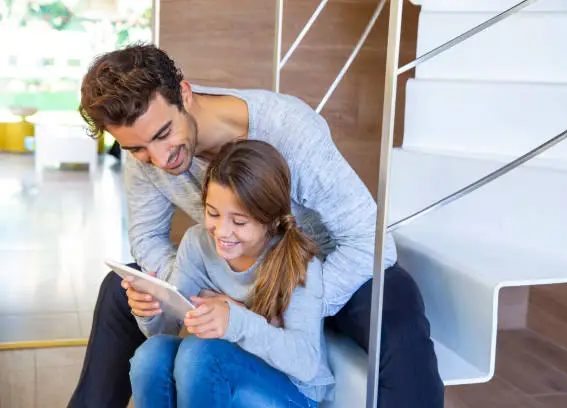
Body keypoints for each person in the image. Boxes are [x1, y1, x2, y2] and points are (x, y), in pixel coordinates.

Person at [69, 43, 443, 408]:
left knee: (397, 319)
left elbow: (370, 240)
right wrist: (179, 295)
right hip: (237, 262)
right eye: (136, 149)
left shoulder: (290, 130)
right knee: (122, 291)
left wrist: (265, 307)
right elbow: (147, 237)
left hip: (323, 268)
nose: (159, 158)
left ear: (184, 94)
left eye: (163, 134)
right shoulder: (144, 150)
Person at [129, 140, 333, 407]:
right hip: (224, 367)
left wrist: (235, 320)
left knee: (200, 353)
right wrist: (152, 310)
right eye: (213, 213)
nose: (222, 232)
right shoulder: (198, 244)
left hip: (293, 392)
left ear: (270, 220)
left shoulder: (299, 262)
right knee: (151, 356)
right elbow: (167, 328)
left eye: (239, 221)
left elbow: (306, 364)